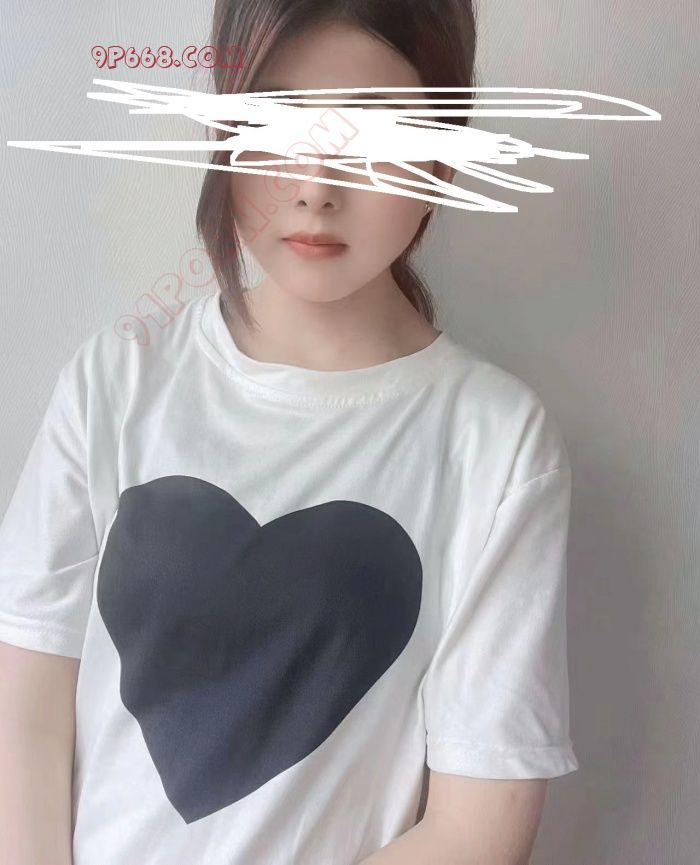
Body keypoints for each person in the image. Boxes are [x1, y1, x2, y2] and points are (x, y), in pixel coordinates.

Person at [0, 2, 579, 864]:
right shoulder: (117, 379)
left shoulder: (496, 444)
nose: (315, 184)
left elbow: (480, 824)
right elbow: (26, 709)